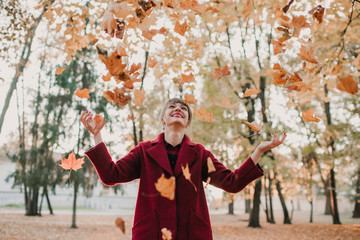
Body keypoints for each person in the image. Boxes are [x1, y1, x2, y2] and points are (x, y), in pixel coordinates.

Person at [80, 98, 286, 240]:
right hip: (151, 234)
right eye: (172, 107)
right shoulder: (143, 151)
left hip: (192, 234)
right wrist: (97, 136)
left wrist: (259, 149)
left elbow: (232, 183)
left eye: (183, 108)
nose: (178, 108)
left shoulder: (200, 153)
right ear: (163, 119)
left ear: (187, 122)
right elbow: (110, 175)